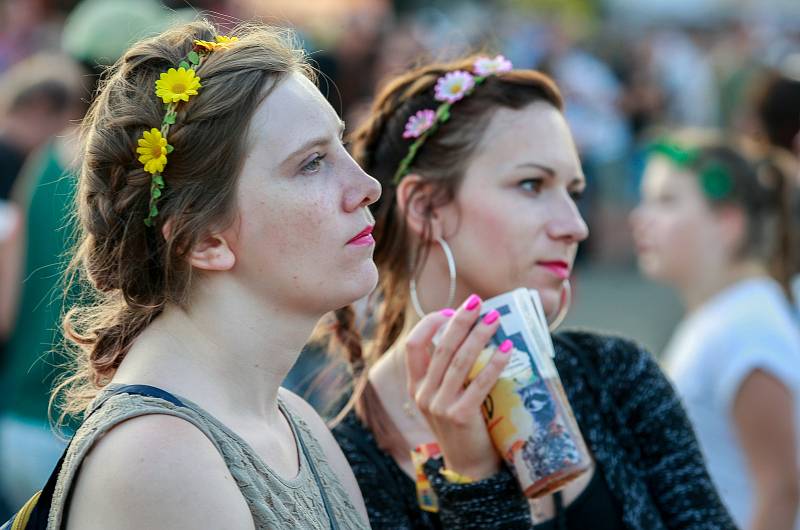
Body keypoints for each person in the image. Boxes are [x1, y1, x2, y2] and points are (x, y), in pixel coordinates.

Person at [326, 55, 736, 529]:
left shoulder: (616, 380)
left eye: (574, 190)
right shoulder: (345, 466)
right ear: (425, 207)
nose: (575, 227)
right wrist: (476, 483)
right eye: (531, 184)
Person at [44, 20, 377, 529]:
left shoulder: (295, 423)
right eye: (312, 163)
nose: (367, 185)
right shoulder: (160, 460)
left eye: (341, 147)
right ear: (203, 240)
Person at [631, 131, 800, 530]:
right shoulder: (723, 317)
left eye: (666, 201)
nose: (640, 218)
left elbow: (781, 491)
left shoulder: (746, 326)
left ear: (728, 223)